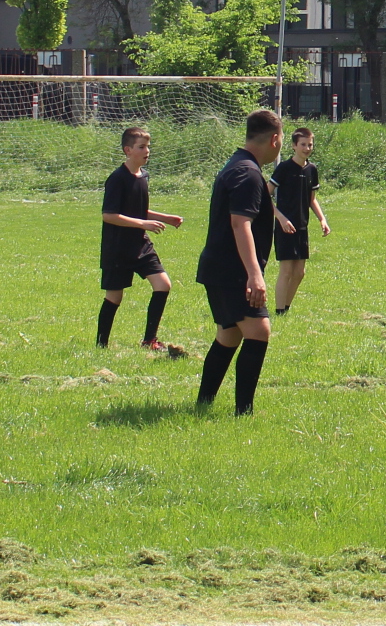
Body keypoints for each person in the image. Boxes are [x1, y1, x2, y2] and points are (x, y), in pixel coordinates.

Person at [193, 109, 281, 415]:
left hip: (219, 267)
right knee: (259, 331)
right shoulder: (248, 173)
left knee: (229, 335)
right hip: (232, 270)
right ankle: (244, 411)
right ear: (274, 139)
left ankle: (203, 403)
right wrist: (255, 275)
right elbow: (240, 223)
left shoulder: (237, 164)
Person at [98, 125, 183, 352]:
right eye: (141, 147)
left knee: (163, 285)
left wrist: (165, 218)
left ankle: (149, 340)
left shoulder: (143, 176)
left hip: (140, 245)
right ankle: (101, 345)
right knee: (115, 297)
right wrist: (143, 224)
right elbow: (109, 215)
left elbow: (137, 209)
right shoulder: (117, 179)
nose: (147, 151)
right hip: (117, 247)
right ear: (128, 150)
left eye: (148, 146)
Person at [271, 124, 331, 315]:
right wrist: (280, 218)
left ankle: (286, 308)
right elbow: (264, 196)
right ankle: (279, 310)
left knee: (299, 273)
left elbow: (312, 199)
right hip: (285, 227)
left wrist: (322, 220)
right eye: (303, 144)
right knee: (286, 271)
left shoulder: (312, 170)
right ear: (294, 146)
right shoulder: (284, 168)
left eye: (310, 145)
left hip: (302, 227)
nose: (307, 148)